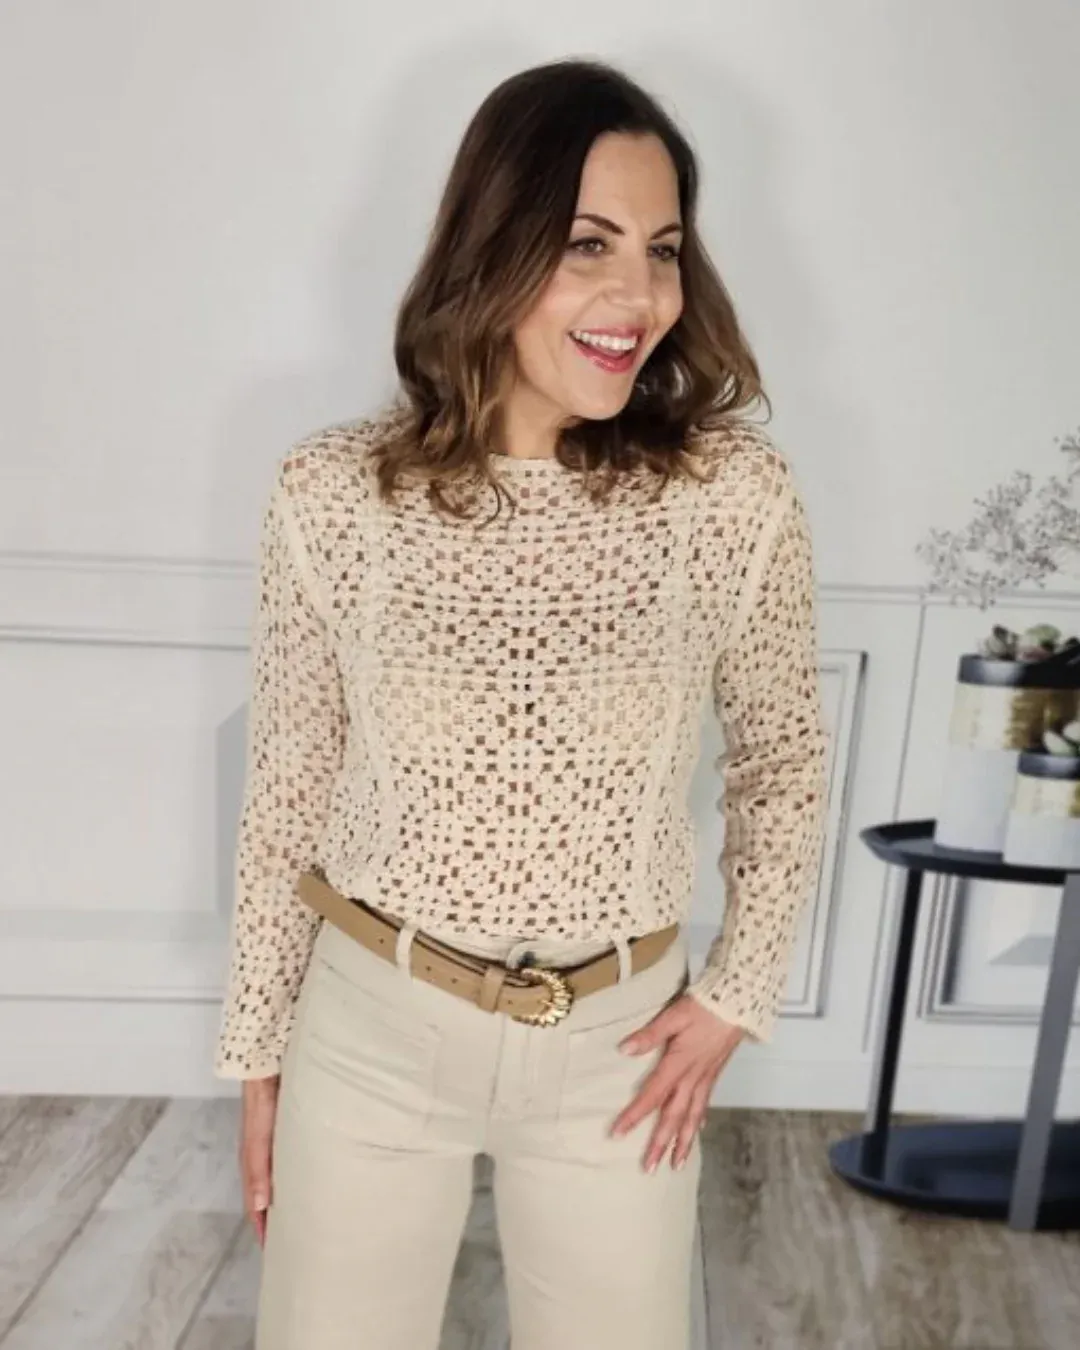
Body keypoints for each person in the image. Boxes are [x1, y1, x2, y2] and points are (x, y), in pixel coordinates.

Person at [213, 56, 829, 1350]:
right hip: (371, 1030)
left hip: (620, 1050)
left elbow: (781, 758)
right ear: (489, 246)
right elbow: (288, 791)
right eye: (588, 244)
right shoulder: (333, 493)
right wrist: (258, 1056)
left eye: (663, 250)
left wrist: (737, 991)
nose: (638, 296)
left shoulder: (730, 496)